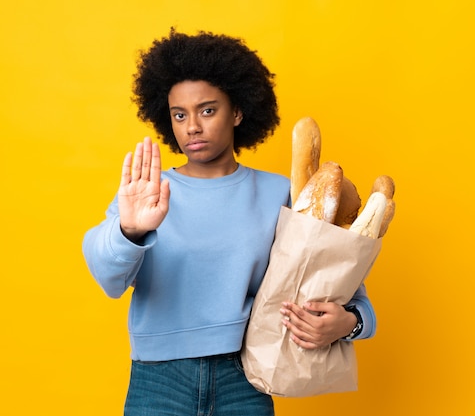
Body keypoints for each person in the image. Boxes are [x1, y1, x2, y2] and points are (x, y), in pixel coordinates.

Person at [82, 28, 376, 416]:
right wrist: (129, 230)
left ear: (237, 111)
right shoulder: (148, 191)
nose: (192, 127)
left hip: (246, 376)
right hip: (159, 381)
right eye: (179, 114)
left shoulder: (281, 194)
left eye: (207, 110)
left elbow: (349, 291)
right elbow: (108, 277)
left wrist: (350, 324)